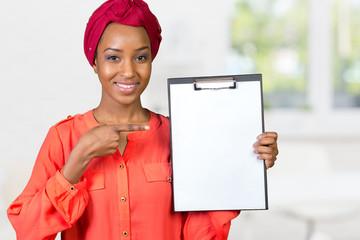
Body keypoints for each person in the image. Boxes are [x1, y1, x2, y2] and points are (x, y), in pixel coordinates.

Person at [7, 0, 279, 239]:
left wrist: (244, 166)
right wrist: (76, 161)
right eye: (113, 57)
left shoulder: (181, 135)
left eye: (140, 57)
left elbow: (199, 234)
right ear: (94, 63)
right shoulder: (63, 138)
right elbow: (27, 231)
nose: (128, 71)